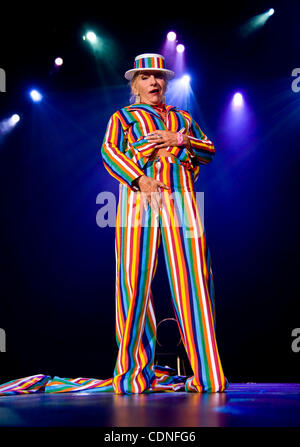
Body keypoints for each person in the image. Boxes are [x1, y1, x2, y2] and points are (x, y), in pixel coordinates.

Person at [101, 53, 228, 394]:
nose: (154, 83)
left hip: (181, 201)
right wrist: (139, 179)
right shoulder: (123, 117)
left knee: (195, 282)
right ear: (135, 84)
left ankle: (207, 374)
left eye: (158, 77)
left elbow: (209, 150)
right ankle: (132, 375)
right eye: (145, 77)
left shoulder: (182, 118)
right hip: (138, 202)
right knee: (133, 281)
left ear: (166, 82)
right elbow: (109, 152)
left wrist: (180, 140)